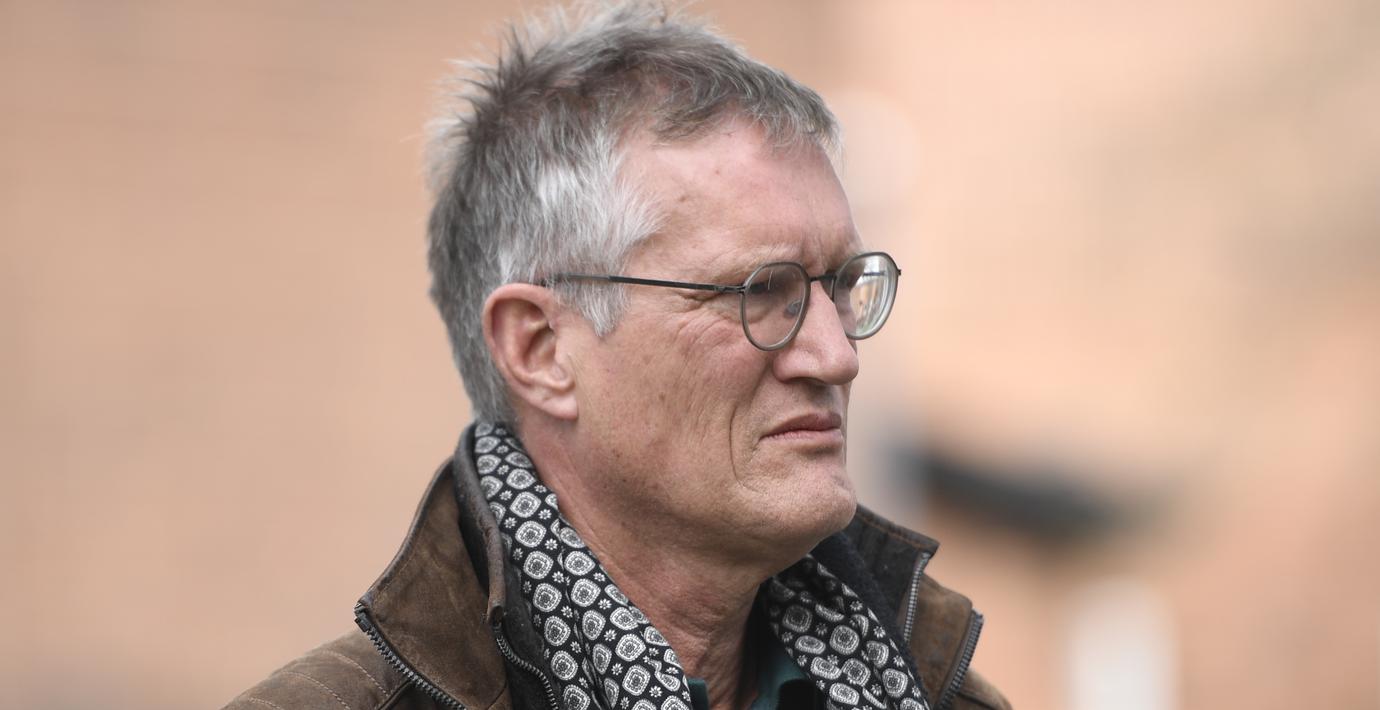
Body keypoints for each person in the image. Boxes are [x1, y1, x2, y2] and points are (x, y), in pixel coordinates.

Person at [226, 3, 1009, 709]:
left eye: (838, 286)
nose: (836, 356)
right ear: (540, 350)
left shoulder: (939, 693)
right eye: (760, 291)